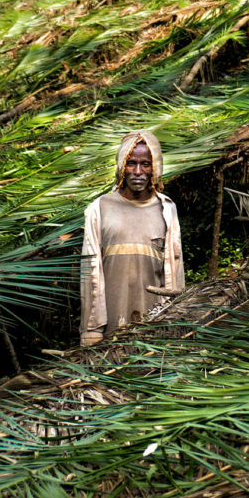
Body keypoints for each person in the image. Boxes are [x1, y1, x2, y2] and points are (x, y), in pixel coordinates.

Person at [80, 130, 184, 346]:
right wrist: (92, 330)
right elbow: (90, 273)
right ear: (121, 167)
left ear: (155, 167)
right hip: (110, 324)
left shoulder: (167, 209)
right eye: (131, 163)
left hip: (154, 323)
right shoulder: (99, 208)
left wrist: (174, 321)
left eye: (145, 164)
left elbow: (175, 270)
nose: (138, 171)